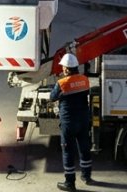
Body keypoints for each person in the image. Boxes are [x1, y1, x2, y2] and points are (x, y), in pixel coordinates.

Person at [49, 53, 94, 191]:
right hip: (83, 120)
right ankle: (86, 176)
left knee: (68, 150)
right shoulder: (85, 80)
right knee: (84, 147)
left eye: (63, 67)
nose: (62, 69)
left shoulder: (62, 83)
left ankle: (70, 183)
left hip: (69, 122)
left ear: (67, 69)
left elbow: (52, 97)